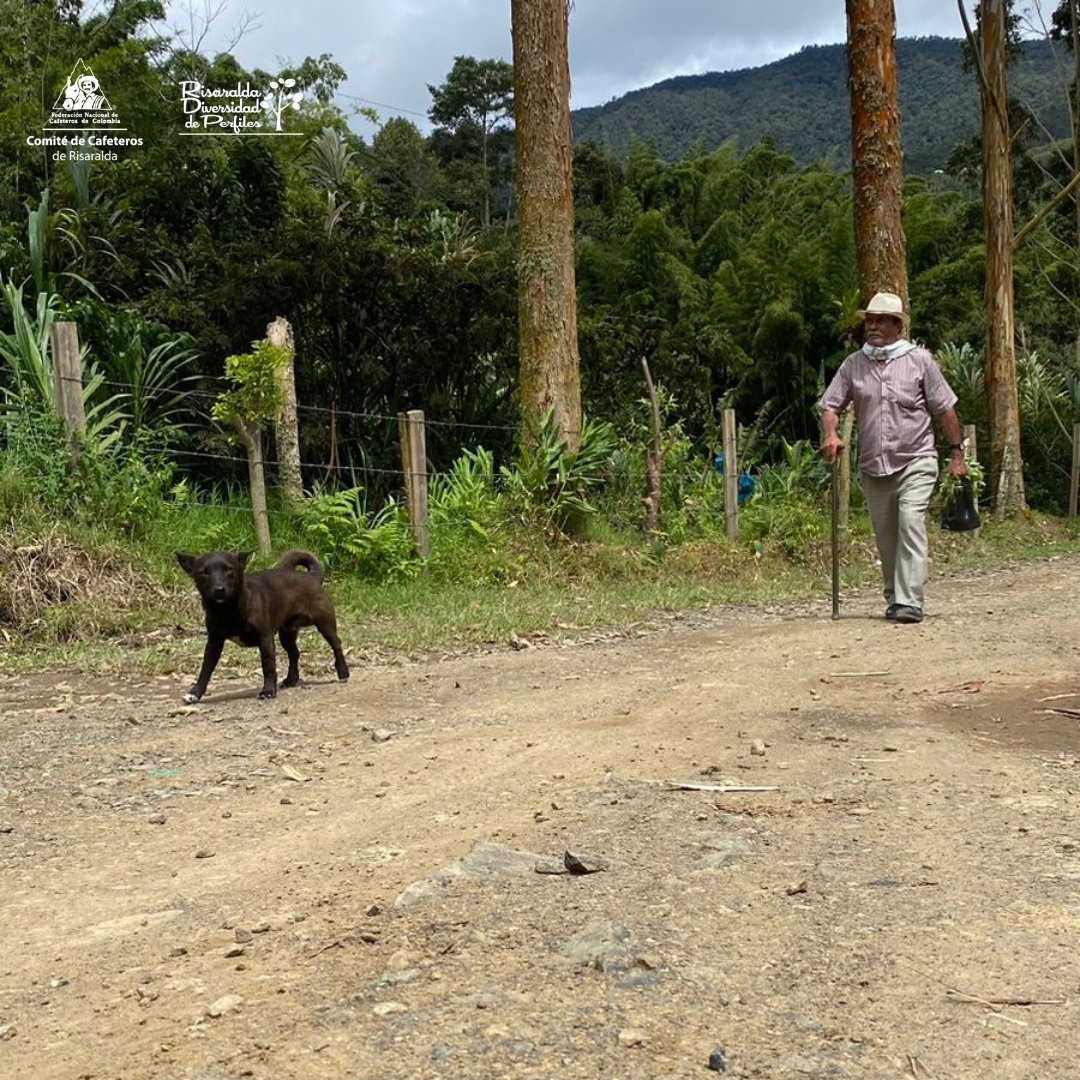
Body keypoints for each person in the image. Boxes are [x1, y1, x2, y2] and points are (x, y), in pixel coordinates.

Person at [819, 291, 966, 624]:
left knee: (911, 521)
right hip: (875, 465)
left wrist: (957, 455)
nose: (872, 326)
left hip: (916, 458)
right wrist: (831, 433)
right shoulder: (853, 365)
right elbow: (831, 405)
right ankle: (895, 597)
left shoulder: (919, 360)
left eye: (880, 320)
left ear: (897, 325)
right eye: (869, 320)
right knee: (886, 536)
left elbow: (945, 409)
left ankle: (910, 601)